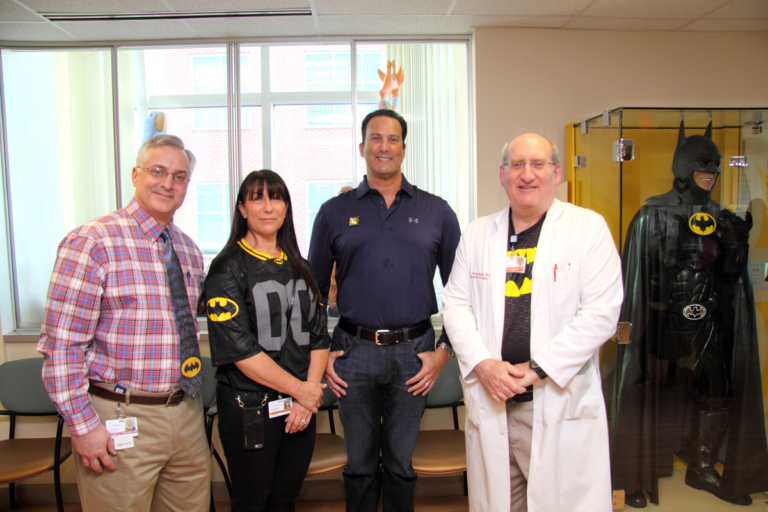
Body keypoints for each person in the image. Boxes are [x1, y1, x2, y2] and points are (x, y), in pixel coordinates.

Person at [441, 133, 623, 512]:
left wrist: (537, 369)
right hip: (494, 400)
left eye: (538, 164)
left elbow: (602, 314)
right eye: (517, 165)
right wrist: (484, 366)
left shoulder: (587, 229)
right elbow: (455, 305)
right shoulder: (478, 233)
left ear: (556, 173)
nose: (527, 175)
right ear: (502, 175)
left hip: (556, 399)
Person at [38, 134, 210, 511]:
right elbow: (62, 346)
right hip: (120, 416)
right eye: (158, 171)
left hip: (186, 412)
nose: (167, 183)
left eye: (179, 176)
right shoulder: (93, 242)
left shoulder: (188, 251)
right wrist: (83, 427)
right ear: (135, 174)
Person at [607, 122, 768, 507]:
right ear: (683, 168)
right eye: (702, 169)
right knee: (645, 395)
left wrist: (735, 247)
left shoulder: (722, 217)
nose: (709, 177)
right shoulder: (652, 216)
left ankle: (701, 464)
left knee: (718, 390)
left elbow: (731, 284)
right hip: (660, 328)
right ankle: (636, 477)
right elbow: (636, 282)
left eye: (714, 170)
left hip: (709, 325)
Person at [308, 108, 461, 512]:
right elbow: (312, 295)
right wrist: (321, 354)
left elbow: (461, 294)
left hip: (415, 355)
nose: (384, 146)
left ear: (404, 149)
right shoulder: (333, 213)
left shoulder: (437, 212)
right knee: (358, 467)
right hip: (351, 354)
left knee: (399, 466)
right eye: (375, 138)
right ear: (362, 147)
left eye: (393, 139)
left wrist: (443, 352)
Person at [204, 169, 330, 511]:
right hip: (250, 409)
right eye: (257, 198)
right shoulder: (226, 269)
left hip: (301, 408)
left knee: (285, 500)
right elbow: (240, 350)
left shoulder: (303, 267)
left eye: (275, 197)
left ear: (286, 208)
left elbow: (319, 337)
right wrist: (301, 390)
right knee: (252, 503)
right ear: (242, 208)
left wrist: (308, 394)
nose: (267, 206)